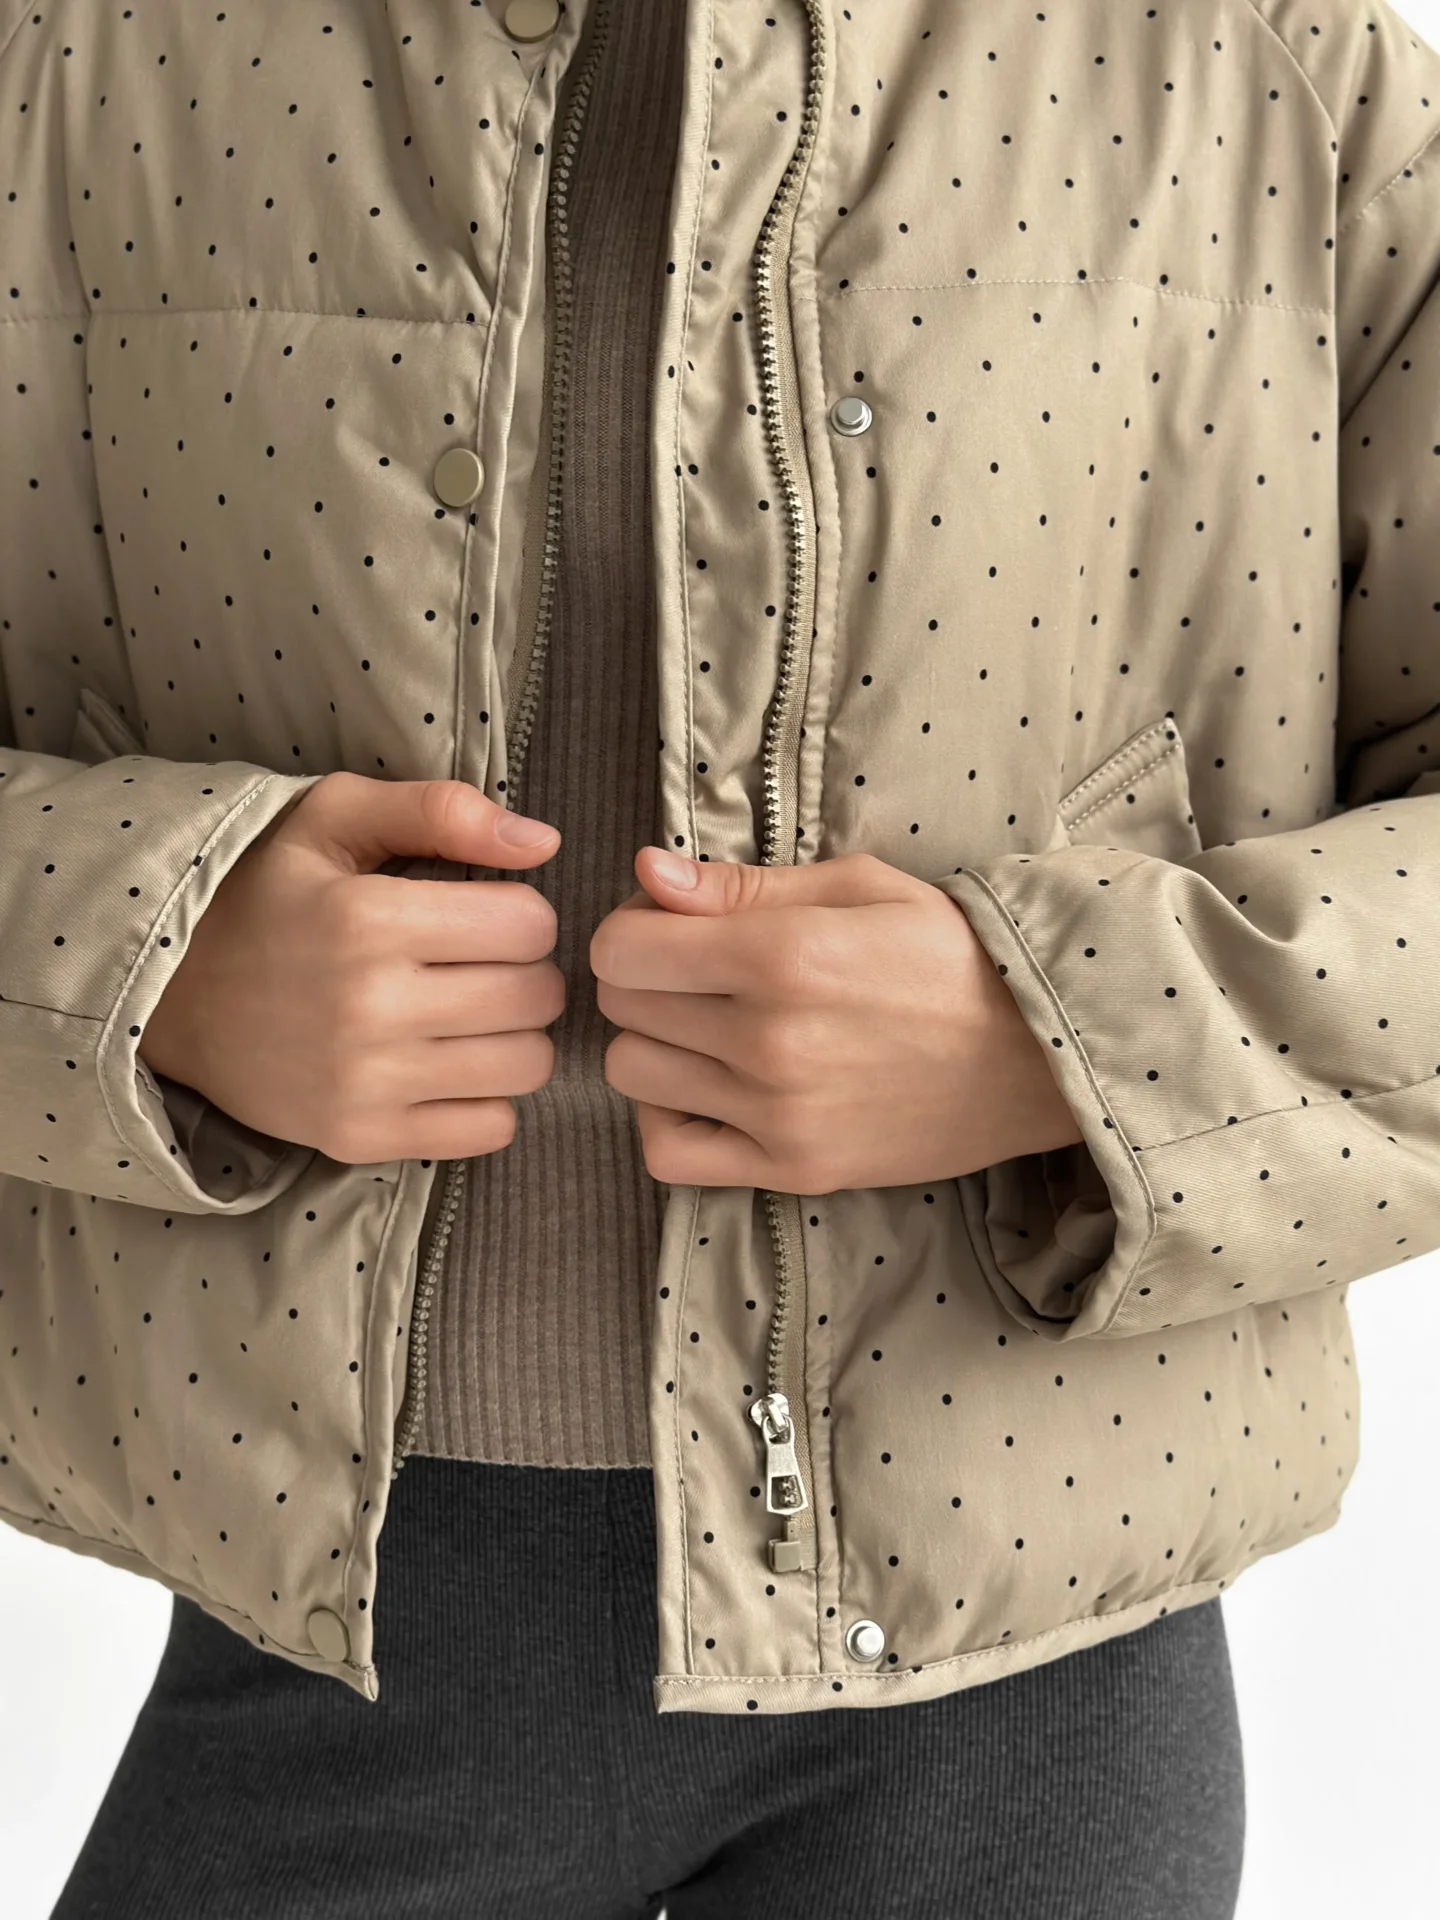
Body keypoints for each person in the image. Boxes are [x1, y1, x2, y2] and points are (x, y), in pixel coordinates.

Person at [5, 0, 1439, 1913]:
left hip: (1041, 1660)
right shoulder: (81, 56)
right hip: (334, 1615)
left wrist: (1071, 1031)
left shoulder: (1280, 73)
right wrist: (137, 959)